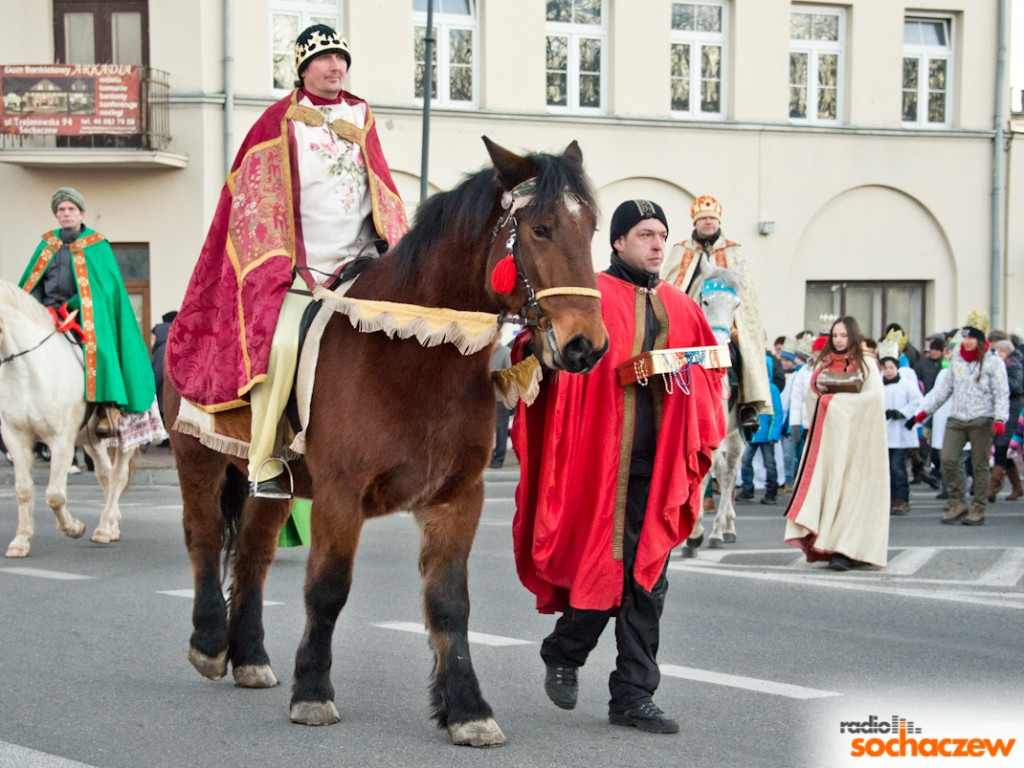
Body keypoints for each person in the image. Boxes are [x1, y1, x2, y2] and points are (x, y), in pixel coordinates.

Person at [165, 24, 408, 498]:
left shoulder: (362, 116)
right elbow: (254, 204)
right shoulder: (275, 122)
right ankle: (264, 460)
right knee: (277, 349)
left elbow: (381, 188)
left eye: (341, 59)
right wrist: (286, 266)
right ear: (303, 69)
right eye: (324, 60)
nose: (335, 67)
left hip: (362, 264)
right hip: (303, 271)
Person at [512, 200, 725, 735]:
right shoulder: (591, 297)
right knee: (601, 575)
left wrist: (684, 370)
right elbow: (540, 353)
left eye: (661, 236)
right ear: (618, 243)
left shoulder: (683, 306)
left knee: (646, 582)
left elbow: (712, 372)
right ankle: (565, 649)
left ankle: (633, 694)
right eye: (646, 235)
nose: (657, 245)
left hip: (660, 470)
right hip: (597, 467)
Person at [20, 187, 156, 437]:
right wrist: (34, 307)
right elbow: (33, 283)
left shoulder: (96, 245)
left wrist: (72, 305)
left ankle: (107, 408)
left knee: (100, 350)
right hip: (47, 313)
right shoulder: (47, 244)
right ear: (56, 215)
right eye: (61, 210)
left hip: (84, 313)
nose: (66, 214)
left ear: (81, 213)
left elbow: (104, 289)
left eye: (71, 209)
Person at [784, 316, 889, 571]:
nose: (839, 340)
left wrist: (834, 403)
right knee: (831, 491)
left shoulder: (867, 365)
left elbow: (874, 399)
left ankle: (848, 549)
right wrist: (823, 400)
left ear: (852, 336)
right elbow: (813, 395)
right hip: (830, 442)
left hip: (858, 444)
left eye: (843, 335)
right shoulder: (825, 364)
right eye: (835, 335)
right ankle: (830, 545)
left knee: (853, 494)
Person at [661, 195, 771, 434]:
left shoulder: (733, 251)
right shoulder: (681, 250)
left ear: (718, 221)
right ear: (695, 223)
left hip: (725, 322)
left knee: (739, 353)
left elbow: (746, 292)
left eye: (712, 218)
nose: (708, 222)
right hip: (689, 322)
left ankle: (745, 405)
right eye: (703, 219)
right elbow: (669, 284)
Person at [908, 311, 1009, 526]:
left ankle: (978, 507)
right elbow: (943, 390)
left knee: (979, 464)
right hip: (958, 417)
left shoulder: (993, 363)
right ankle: (957, 502)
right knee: (947, 459)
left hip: (983, 418)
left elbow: (1001, 392)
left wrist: (1000, 419)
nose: (967, 341)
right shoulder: (957, 359)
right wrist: (924, 412)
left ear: (980, 340)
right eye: (964, 337)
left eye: (971, 337)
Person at [878, 335, 923, 515]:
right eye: (885, 367)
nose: (888, 371)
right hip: (884, 434)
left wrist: (901, 412)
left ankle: (902, 499)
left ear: (897, 367)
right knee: (886, 469)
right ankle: (889, 499)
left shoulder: (906, 385)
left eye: (891, 367)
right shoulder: (878, 386)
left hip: (900, 434)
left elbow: (918, 402)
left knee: (898, 467)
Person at [737, 350, 784, 504]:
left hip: (767, 434)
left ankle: (771, 492)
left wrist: (774, 434)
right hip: (752, 432)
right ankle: (747, 489)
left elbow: (778, 413)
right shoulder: (751, 388)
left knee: (769, 463)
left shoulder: (772, 389)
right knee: (746, 460)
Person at [987, 339, 1022, 502]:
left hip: (1014, 413)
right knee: (1004, 450)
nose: (999, 354)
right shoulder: (995, 367)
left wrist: (1000, 380)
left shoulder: (1015, 367)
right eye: (997, 351)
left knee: (1002, 448)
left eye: (1002, 351)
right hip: (1000, 412)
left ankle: (992, 488)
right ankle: (1017, 486)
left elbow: (1016, 386)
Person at [151, 311, 177, 424]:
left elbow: (158, 373)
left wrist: (150, 387)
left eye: (153, 336)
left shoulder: (162, 349)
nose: (152, 339)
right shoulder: (169, 345)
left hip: (164, 394)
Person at [490, 340, 513, 469]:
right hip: (487, 398)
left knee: (500, 429)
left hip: (500, 398)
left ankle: (499, 459)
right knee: (488, 429)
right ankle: (490, 456)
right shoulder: (487, 352)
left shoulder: (506, 353)